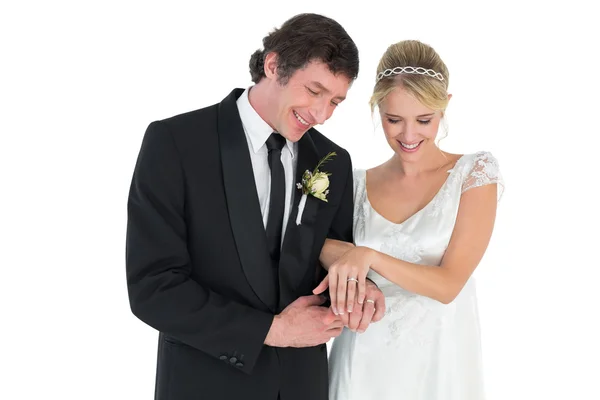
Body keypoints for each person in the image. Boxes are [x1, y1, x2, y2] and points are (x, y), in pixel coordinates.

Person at [125, 13, 385, 400]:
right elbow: (153, 287)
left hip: (302, 384)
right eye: (314, 91)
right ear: (273, 64)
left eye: (335, 101)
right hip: (205, 383)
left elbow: (332, 256)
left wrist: (358, 289)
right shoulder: (176, 143)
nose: (321, 114)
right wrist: (273, 330)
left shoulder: (333, 161)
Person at [315, 39, 505, 399]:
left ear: (445, 106)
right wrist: (341, 256)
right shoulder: (355, 184)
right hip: (363, 358)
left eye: (423, 120)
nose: (409, 135)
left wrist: (369, 256)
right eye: (393, 120)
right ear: (376, 109)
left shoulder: (474, 174)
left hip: (439, 360)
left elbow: (449, 285)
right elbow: (311, 244)